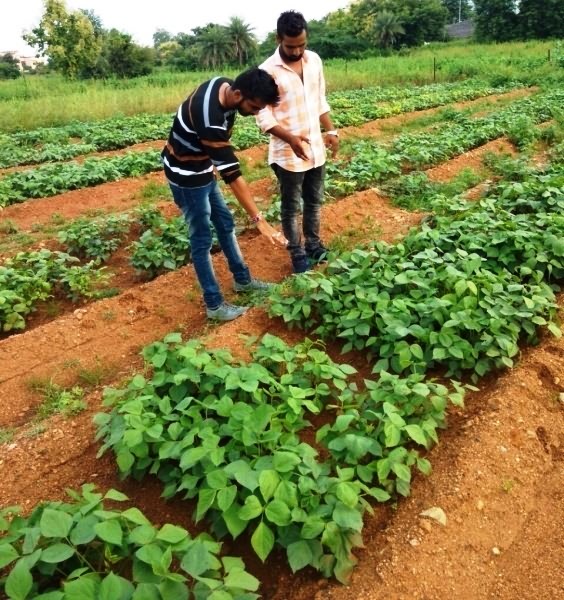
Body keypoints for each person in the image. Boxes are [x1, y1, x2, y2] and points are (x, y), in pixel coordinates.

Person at [162, 67, 287, 321]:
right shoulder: (208, 115)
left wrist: (213, 161)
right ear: (238, 94)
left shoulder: (224, 86)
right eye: (254, 107)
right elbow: (232, 174)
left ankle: (242, 280)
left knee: (225, 223)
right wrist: (259, 220)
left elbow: (221, 150)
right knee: (201, 239)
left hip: (204, 167)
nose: (256, 113)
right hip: (186, 176)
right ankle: (214, 305)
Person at [256, 10, 339, 274]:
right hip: (287, 153)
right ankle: (297, 252)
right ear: (278, 38)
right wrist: (290, 139)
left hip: (315, 146)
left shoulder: (314, 60)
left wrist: (331, 131)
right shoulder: (267, 71)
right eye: (291, 46)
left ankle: (314, 244)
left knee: (314, 200)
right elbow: (263, 116)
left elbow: (320, 100)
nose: (297, 51)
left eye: (302, 44)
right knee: (291, 206)